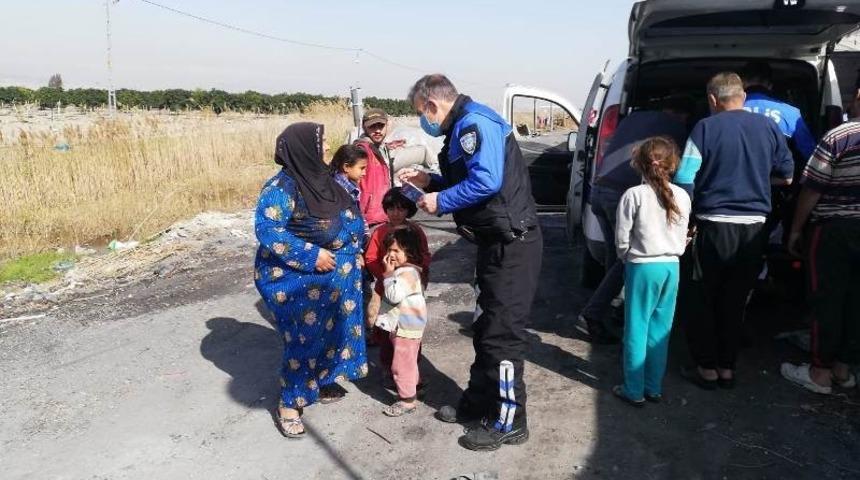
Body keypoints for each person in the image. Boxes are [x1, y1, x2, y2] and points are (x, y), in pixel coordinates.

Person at [400, 74, 541, 451]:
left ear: (432, 105)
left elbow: (488, 181)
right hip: (494, 243)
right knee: (484, 329)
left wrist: (440, 202)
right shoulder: (465, 123)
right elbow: (466, 174)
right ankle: (478, 404)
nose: (423, 122)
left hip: (514, 244)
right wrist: (431, 180)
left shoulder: (475, 123)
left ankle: (510, 421)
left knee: (502, 337)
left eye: (421, 114)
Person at [673, 72, 794, 389]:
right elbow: (788, 176)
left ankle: (706, 368)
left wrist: (684, 221)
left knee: (702, 297)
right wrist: (755, 182)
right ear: (742, 96)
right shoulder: (768, 127)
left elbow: (685, 177)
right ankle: (728, 368)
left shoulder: (705, 127)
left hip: (714, 226)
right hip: (754, 229)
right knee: (735, 299)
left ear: (713, 99)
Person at [254, 122, 368, 439]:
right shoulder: (281, 188)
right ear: (305, 149)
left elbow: (346, 217)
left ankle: (319, 379)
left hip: (336, 274)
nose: (327, 151)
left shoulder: (324, 181)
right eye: (323, 146)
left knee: (333, 331)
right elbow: (269, 231)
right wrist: (310, 255)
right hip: (296, 276)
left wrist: (354, 248)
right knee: (305, 336)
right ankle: (290, 403)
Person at [577, 98, 691, 344]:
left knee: (614, 260)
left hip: (600, 190)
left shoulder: (632, 118)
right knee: (627, 259)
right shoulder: (676, 129)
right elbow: (678, 168)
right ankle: (593, 314)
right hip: (621, 194)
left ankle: (614, 310)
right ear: (680, 114)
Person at [780, 91, 860, 394]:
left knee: (828, 298)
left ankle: (820, 372)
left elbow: (812, 188)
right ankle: (843, 369)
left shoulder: (841, 136)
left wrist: (796, 230)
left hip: (835, 230)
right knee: (857, 301)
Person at [611, 137, 691, 407]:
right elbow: (683, 234)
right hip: (672, 267)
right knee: (661, 330)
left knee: (636, 328)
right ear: (673, 165)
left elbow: (622, 237)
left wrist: (626, 256)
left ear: (638, 164)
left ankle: (633, 390)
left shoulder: (634, 195)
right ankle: (653, 387)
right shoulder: (683, 195)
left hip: (643, 266)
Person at [365, 188, 431, 389]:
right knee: (386, 331)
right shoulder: (380, 231)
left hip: (409, 291)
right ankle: (388, 368)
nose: (396, 213)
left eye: (401, 209)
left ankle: (410, 372)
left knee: (409, 336)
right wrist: (386, 275)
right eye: (391, 208)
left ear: (409, 210)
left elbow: (424, 255)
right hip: (386, 289)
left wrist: (416, 272)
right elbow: (371, 258)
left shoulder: (415, 231)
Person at [373, 226, 430, 416]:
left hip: (406, 326)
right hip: (406, 325)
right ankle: (415, 386)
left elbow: (394, 295)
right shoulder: (407, 270)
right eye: (389, 250)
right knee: (408, 360)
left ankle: (407, 400)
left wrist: (388, 274)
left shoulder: (407, 273)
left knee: (401, 364)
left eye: (396, 250)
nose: (391, 254)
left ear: (410, 252)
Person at [742, 61, 816, 162]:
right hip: (777, 176)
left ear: (742, 83)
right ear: (769, 86)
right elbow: (810, 156)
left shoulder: (724, 111)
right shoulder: (791, 114)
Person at [355, 108, 399, 228]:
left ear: (387, 126)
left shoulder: (381, 148)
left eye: (381, 126)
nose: (378, 130)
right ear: (364, 128)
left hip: (382, 215)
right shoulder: (361, 150)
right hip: (369, 219)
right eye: (372, 127)